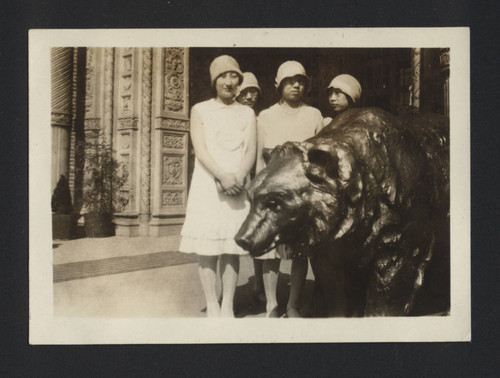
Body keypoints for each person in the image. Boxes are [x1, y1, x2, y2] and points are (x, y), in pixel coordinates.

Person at [179, 55, 257, 318]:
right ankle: (212, 303)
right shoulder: (200, 109)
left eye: (233, 76)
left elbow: (250, 151)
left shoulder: (247, 113)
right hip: (208, 186)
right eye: (223, 76)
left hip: (236, 186)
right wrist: (221, 176)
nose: (228, 81)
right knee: (208, 249)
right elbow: (200, 150)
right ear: (214, 81)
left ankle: (227, 305)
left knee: (231, 249)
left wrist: (238, 176)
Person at [256, 60, 323, 318]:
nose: (296, 85)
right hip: (274, 192)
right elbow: (261, 158)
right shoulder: (266, 116)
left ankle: (292, 305)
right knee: (271, 252)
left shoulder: (314, 115)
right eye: (290, 80)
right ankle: (271, 304)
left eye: (300, 81)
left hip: (302, 194)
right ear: (279, 84)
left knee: (299, 252)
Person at [235, 72, 267, 306]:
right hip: (230, 182)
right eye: (245, 91)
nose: (249, 96)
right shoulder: (230, 116)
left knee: (256, 236)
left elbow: (257, 155)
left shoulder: (258, 119)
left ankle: (259, 283)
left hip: (252, 183)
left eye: (253, 91)